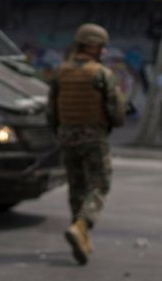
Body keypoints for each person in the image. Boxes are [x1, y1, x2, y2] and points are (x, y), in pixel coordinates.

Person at [47, 23, 126, 265]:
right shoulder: (102, 74)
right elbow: (117, 114)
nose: (103, 51)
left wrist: (62, 133)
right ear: (92, 46)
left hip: (67, 139)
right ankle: (82, 225)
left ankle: (80, 236)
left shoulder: (60, 72)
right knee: (99, 184)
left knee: (77, 187)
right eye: (101, 46)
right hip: (94, 139)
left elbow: (51, 113)